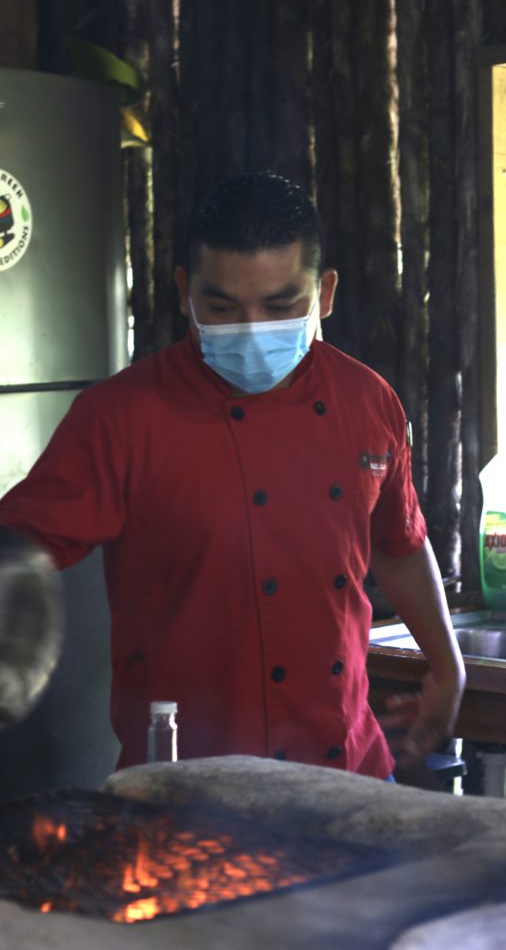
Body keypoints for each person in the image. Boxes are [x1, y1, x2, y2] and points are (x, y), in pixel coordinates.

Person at [0, 172, 465, 778]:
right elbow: (16, 548)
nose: (250, 329)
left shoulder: (368, 401)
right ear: (184, 292)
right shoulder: (121, 417)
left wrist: (449, 665)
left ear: (324, 294)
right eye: (222, 307)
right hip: (184, 790)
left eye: (280, 306)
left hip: (348, 775)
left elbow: (398, 544)